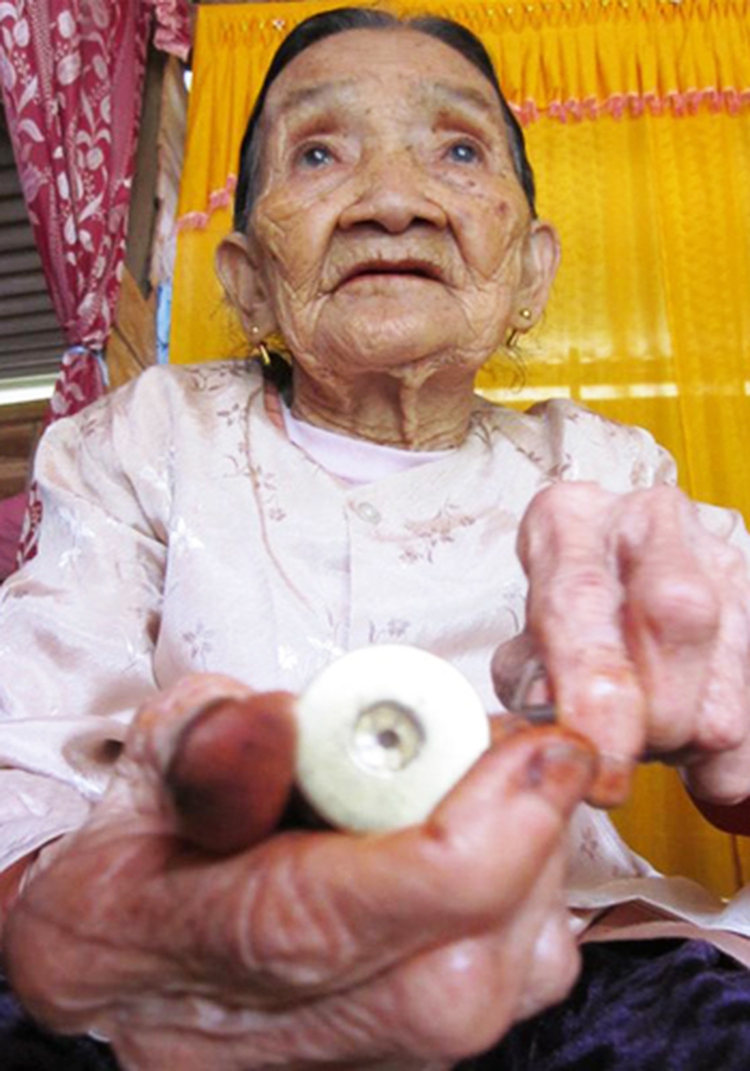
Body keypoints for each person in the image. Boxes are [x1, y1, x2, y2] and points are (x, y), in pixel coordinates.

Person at [2, 8, 750, 1069]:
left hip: (575, 954)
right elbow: (26, 759)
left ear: (531, 271)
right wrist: (85, 917)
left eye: (459, 150)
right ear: (246, 280)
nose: (394, 202)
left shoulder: (607, 469)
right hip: (200, 965)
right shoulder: (145, 439)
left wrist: (732, 740)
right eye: (318, 153)